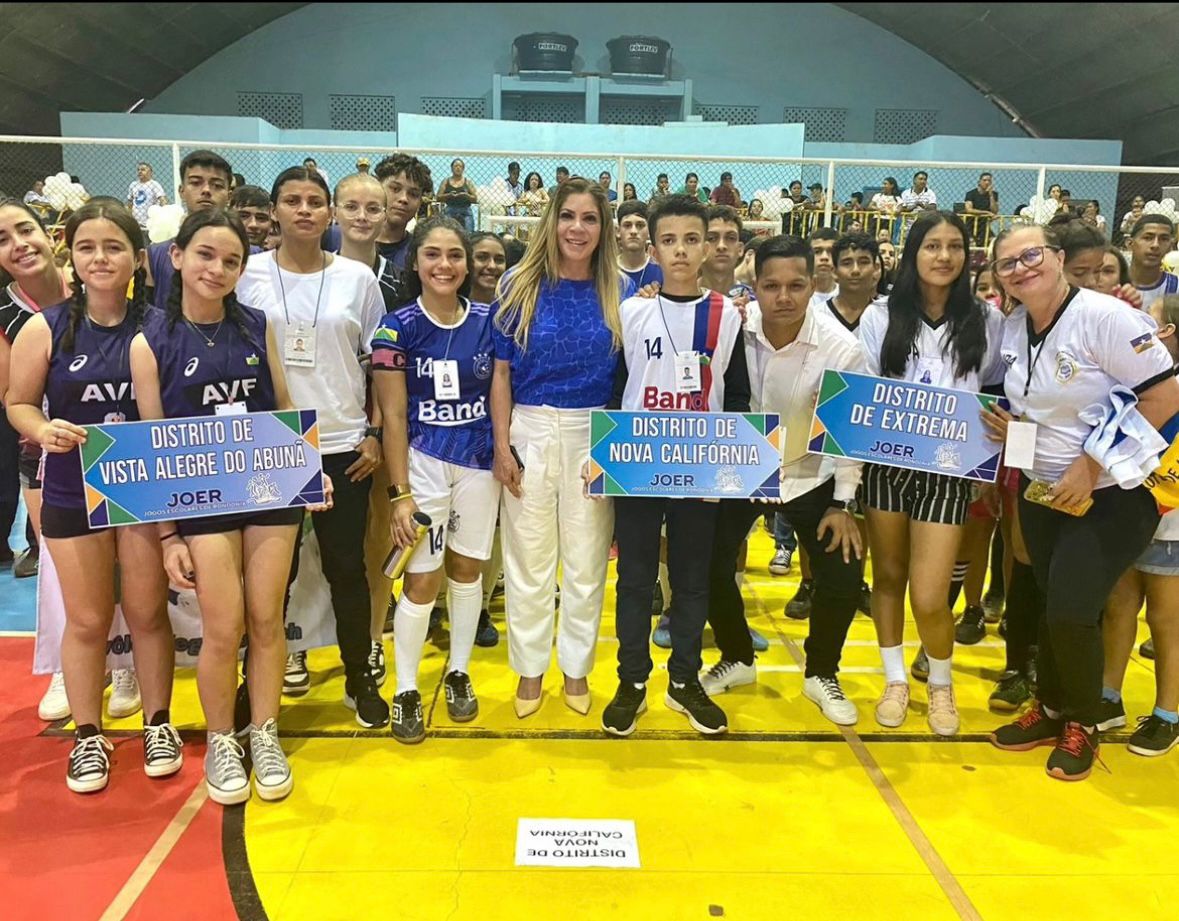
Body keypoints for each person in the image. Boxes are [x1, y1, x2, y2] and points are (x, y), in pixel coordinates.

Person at [131, 208, 317, 803]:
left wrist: (306, 473)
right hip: (200, 499)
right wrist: (167, 537)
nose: (218, 268)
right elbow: (152, 445)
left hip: (266, 489)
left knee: (266, 620)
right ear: (177, 257)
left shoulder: (257, 324)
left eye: (231, 260)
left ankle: (263, 731)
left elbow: (283, 409)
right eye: (206, 255)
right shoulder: (149, 340)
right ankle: (220, 738)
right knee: (222, 626)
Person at [985, 223, 1179, 780]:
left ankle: (1083, 722)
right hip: (1042, 488)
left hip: (1113, 493)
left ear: (1058, 257)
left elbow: (1164, 396)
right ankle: (1048, 708)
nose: (1023, 268)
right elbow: (1037, 404)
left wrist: (1092, 461)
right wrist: (1010, 427)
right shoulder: (1015, 327)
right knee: (1051, 601)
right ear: (999, 278)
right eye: (1008, 263)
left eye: (1032, 255)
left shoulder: (1108, 318)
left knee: (1072, 609)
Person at [6, 200, 177, 794]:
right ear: (70, 255)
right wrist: (40, 428)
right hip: (71, 490)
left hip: (140, 491)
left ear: (136, 257)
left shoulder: (160, 326)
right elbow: (18, 402)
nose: (100, 258)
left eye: (113, 247)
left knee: (150, 613)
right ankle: (87, 735)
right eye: (87, 248)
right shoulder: (44, 326)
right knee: (86, 619)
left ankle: (159, 722)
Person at [236, 167, 387, 726]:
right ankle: (255, 686)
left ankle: (358, 678)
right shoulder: (246, 274)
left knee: (346, 568)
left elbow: (380, 365)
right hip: (269, 446)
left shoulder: (356, 279)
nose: (304, 210)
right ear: (273, 210)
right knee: (271, 579)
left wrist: (373, 432)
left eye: (314, 202)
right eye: (292, 200)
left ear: (329, 214)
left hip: (342, 443)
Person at [702, 235, 867, 724]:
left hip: (808, 472)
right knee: (705, 565)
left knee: (842, 568)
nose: (784, 296)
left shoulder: (842, 348)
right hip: (742, 471)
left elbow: (847, 435)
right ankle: (737, 657)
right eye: (771, 285)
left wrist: (844, 504)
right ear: (754, 286)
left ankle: (821, 673)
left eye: (797, 285)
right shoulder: (732, 327)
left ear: (815, 284)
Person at [602, 194, 747, 737]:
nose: (681, 251)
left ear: (710, 245)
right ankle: (632, 681)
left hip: (701, 466)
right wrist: (607, 458)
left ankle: (683, 680)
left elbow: (736, 398)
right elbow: (617, 391)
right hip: (638, 464)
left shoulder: (728, 315)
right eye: (670, 240)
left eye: (692, 239)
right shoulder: (632, 311)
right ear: (651, 245)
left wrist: (731, 466)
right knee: (635, 579)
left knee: (691, 581)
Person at [858, 211, 1005, 736]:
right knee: (889, 578)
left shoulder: (988, 321)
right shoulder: (880, 316)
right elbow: (865, 393)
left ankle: (941, 686)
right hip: (886, 465)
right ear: (913, 252)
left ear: (967, 256)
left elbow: (995, 393)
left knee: (928, 592)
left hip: (948, 471)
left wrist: (995, 444)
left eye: (954, 246)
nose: (944, 256)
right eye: (932, 246)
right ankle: (895, 679)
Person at [491, 177, 630, 719]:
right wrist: (502, 446)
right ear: (551, 221)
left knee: (588, 559)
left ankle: (576, 667)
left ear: (603, 229)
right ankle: (529, 669)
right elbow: (500, 373)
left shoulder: (620, 289)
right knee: (527, 559)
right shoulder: (517, 284)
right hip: (529, 426)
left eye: (590, 219)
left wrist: (612, 444)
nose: (578, 228)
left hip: (593, 432)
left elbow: (628, 375)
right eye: (568, 216)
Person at [372, 217, 500, 742]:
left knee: (468, 571)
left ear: (468, 265)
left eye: (454, 255)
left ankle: (459, 671)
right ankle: (405, 688)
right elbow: (393, 418)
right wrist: (400, 493)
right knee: (422, 579)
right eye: (433, 255)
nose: (444, 265)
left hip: (477, 461)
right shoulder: (395, 327)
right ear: (416, 263)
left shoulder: (491, 322)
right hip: (422, 461)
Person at [0, 199, 74, 717]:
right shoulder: (6, 314)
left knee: (127, 565)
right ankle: (68, 670)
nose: (18, 244)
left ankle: (124, 663)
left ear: (49, 233)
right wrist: (47, 430)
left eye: (24, 230)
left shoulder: (97, 278)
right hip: (44, 457)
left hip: (117, 448)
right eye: (3, 240)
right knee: (60, 567)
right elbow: (12, 397)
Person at [1099, 293, 1179, 756]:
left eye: (1153, 325)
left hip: (1170, 524)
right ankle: (1109, 696)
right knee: (1118, 607)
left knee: (1166, 620)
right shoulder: (1132, 381)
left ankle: (1167, 713)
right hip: (1125, 514)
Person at [146, 149, 234, 310]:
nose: (206, 190)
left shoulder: (253, 255)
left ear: (229, 196)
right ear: (181, 191)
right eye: (195, 182)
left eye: (217, 185)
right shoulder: (153, 255)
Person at [373, 153, 432, 281]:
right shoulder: (340, 240)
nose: (403, 199)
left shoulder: (418, 252)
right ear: (377, 187)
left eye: (413, 194)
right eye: (395, 189)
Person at [1128, 214, 1178, 309]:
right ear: (1130, 244)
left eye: (1164, 239)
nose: (1155, 245)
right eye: (1148, 238)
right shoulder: (1109, 284)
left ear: (1171, 247)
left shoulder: (1176, 289)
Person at [700, 205, 748, 300]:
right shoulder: (680, 300)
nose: (721, 246)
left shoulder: (755, 303)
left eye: (730, 238)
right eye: (712, 238)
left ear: (740, 249)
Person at [616, 200, 662, 290]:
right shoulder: (606, 270)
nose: (633, 231)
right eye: (627, 225)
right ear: (618, 231)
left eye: (640, 225)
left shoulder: (662, 271)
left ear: (649, 231)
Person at [439, 159, 478, 234]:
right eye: (456, 166)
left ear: (463, 168)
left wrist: (466, 195)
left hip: (465, 210)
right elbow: (438, 197)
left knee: (469, 233)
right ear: (451, 168)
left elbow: (475, 199)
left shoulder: (467, 182)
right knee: (447, 232)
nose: (458, 168)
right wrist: (449, 195)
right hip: (450, 208)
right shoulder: (446, 181)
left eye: (460, 166)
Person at [469, 232, 508, 305]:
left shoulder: (516, 309)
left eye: (499, 260)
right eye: (482, 258)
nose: (492, 266)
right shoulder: (452, 308)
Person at [125, 163, 167, 230]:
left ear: (150, 172)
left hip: (149, 223)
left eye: (143, 170)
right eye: (138, 170)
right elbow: (130, 202)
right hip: (136, 222)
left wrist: (165, 213)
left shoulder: (154, 184)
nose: (140, 171)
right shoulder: (133, 185)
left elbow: (162, 200)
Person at [964, 172, 999, 248]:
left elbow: (995, 211)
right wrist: (986, 213)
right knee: (972, 244)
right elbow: (969, 209)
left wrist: (990, 195)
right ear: (979, 182)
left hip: (984, 225)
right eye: (984, 180)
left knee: (993, 242)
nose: (987, 182)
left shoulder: (994, 194)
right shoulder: (971, 194)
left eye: (989, 181)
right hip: (971, 224)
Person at [808, 227, 840, 308]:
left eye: (831, 251)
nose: (824, 257)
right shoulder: (798, 295)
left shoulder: (847, 296)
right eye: (817, 251)